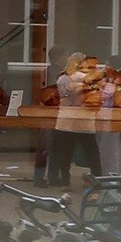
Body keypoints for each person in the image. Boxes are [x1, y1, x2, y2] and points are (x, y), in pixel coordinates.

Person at [47, 52, 102, 187]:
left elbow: (63, 98)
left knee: (65, 152)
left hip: (65, 120)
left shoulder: (62, 79)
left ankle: (65, 179)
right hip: (84, 120)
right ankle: (97, 179)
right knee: (92, 152)